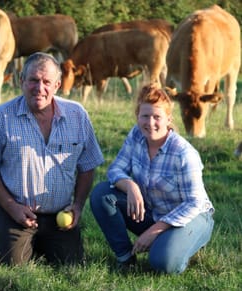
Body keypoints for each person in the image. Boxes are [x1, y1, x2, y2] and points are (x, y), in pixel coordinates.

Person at [0, 52, 104, 265]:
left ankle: (44, 243)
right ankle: (23, 242)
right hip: (15, 212)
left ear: (57, 85)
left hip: (60, 215)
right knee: (11, 265)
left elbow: (88, 166)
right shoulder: (1, 116)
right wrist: (11, 206)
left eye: (46, 82)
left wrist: (77, 205)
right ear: (21, 81)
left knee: (70, 265)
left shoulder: (77, 115)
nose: (39, 88)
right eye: (33, 80)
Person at [90, 83, 214, 274]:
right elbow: (115, 169)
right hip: (153, 212)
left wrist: (154, 231)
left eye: (157, 117)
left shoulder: (183, 153)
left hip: (191, 216)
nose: (150, 122)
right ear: (137, 117)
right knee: (101, 194)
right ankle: (125, 257)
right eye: (145, 116)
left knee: (163, 264)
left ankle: (188, 242)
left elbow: (194, 203)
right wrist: (131, 186)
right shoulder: (136, 135)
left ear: (168, 119)